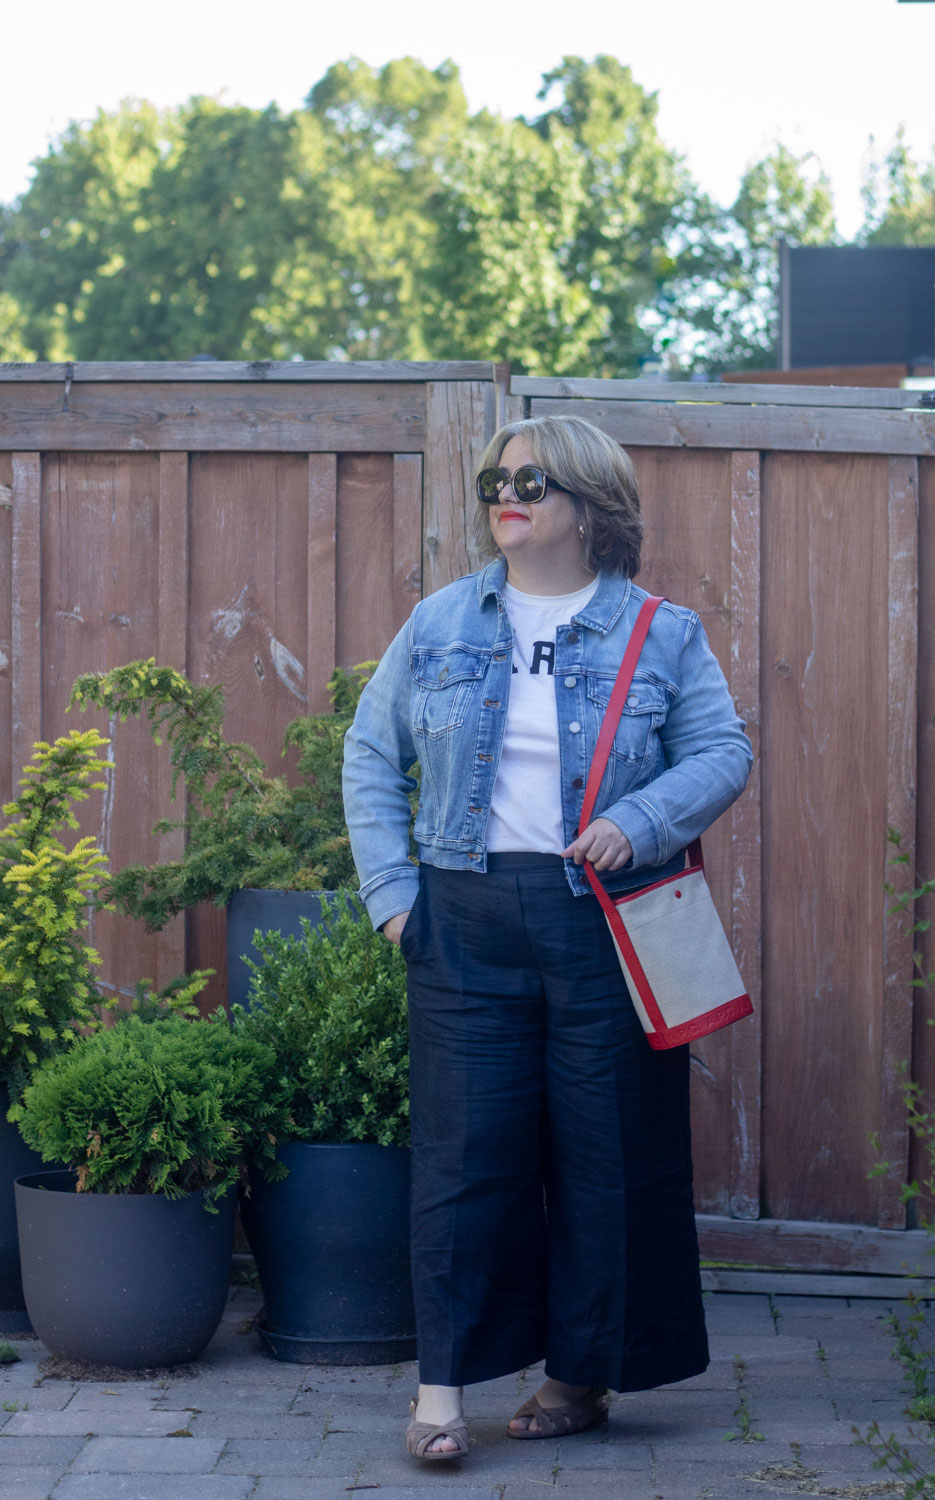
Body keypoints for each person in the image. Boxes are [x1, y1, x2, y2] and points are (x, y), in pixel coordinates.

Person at [342, 414, 753, 1462]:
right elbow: (367, 753)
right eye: (493, 481)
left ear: (585, 501)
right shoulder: (438, 623)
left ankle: (578, 1377)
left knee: (606, 1154)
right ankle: (441, 1394)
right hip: (461, 919)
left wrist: (639, 821)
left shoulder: (658, 630)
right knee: (460, 1156)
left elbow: (718, 750)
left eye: (527, 480)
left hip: (600, 920)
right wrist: (394, 896)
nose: (503, 496)